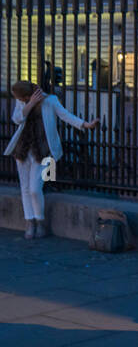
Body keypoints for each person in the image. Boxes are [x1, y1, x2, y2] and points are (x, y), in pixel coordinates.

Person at [6, 81, 99, 239]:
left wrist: (86, 125)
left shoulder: (51, 101)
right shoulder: (22, 101)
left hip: (43, 149)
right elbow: (17, 119)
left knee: (35, 188)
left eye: (23, 99)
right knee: (25, 187)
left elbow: (65, 115)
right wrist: (30, 104)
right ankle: (30, 222)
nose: (21, 101)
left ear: (28, 94)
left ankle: (40, 221)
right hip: (22, 148)